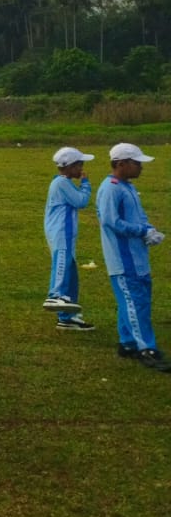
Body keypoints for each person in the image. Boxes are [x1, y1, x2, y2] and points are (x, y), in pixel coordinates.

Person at [96, 143, 168, 371]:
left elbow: (139, 216)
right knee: (134, 303)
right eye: (136, 163)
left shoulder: (127, 187)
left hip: (137, 257)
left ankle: (127, 343)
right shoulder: (111, 188)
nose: (140, 167)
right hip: (123, 258)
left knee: (138, 302)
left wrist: (149, 229)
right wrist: (141, 231)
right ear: (121, 164)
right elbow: (111, 221)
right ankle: (146, 348)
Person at [43, 146, 95, 330]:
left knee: (71, 273)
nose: (82, 169)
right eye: (79, 165)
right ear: (69, 166)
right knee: (62, 263)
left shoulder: (63, 182)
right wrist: (86, 183)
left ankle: (67, 317)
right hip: (61, 231)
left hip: (66, 232)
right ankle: (56, 294)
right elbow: (81, 201)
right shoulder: (62, 183)